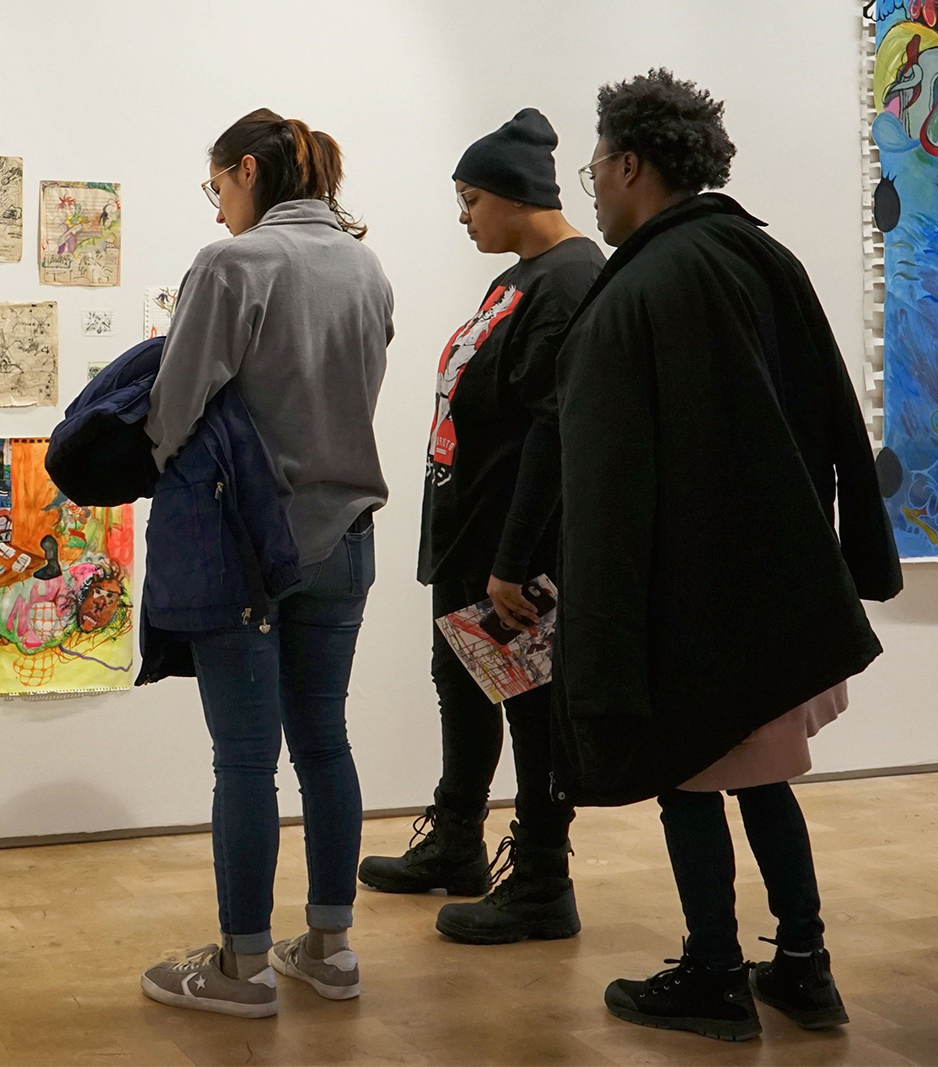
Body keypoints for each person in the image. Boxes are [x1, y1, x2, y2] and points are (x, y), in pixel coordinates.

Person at [554, 70, 902, 1041]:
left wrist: (604, 641)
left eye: (595, 169)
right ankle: (803, 964)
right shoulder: (759, 255)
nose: (594, 186)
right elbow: (837, 409)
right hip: (777, 583)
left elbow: (609, 483)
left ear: (631, 163)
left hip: (692, 598)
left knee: (690, 779)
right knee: (760, 775)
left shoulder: (642, 290)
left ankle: (713, 970)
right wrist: (854, 563)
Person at [137, 109, 393, 1018]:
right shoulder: (367, 267)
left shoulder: (234, 264)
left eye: (218, 188)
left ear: (248, 170)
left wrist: (159, 445)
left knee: (245, 761)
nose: (216, 213)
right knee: (326, 742)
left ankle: (241, 967)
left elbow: (174, 407)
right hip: (347, 537)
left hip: (250, 542)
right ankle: (330, 948)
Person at [357, 109, 604, 946]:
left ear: (510, 195)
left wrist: (513, 559)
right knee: (459, 686)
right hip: (470, 539)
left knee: (532, 711)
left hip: (513, 550)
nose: (464, 217)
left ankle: (542, 878)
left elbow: (552, 430)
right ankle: (458, 838)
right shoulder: (519, 277)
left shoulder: (570, 280)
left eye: (469, 199)